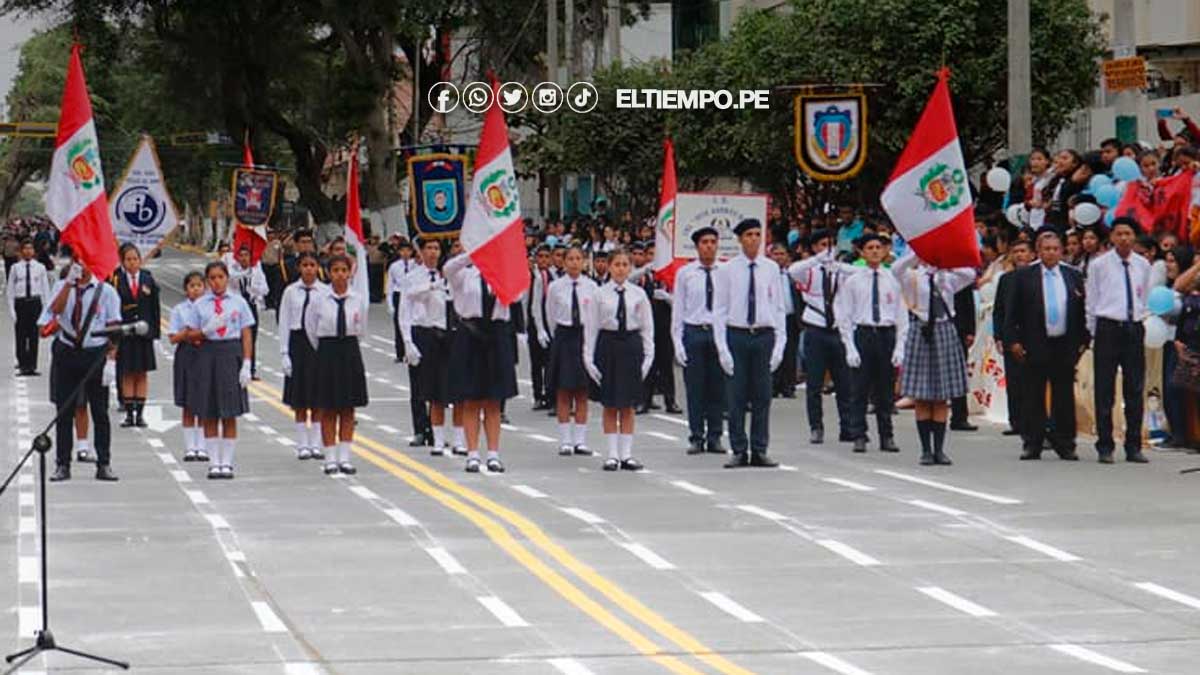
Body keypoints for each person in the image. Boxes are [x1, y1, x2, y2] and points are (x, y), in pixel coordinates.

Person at [1005, 230, 1089, 461]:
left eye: (1055, 249)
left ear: (1061, 251)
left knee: (1063, 394)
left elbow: (1082, 311)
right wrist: (1013, 340)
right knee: (1033, 393)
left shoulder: (1072, 275)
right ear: (1039, 251)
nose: (1051, 253)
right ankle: (1033, 442)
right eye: (1046, 249)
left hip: (1065, 343)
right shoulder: (1025, 276)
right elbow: (1011, 313)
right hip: (1035, 342)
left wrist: (1083, 340)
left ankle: (1065, 442)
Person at [40, 253, 122, 482]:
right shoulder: (60, 286)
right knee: (63, 411)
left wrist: (111, 362)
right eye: (77, 261)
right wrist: (68, 284)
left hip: (95, 353)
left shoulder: (106, 291)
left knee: (100, 412)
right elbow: (53, 312)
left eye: (85, 261)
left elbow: (114, 329)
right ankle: (62, 464)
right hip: (66, 351)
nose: (81, 266)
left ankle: (104, 463)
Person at [893, 251, 976, 466]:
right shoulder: (912, 276)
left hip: (944, 329)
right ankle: (925, 450)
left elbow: (970, 274)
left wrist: (946, 263)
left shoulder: (947, 278)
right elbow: (896, 269)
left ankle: (940, 449)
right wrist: (916, 253)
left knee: (941, 396)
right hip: (920, 331)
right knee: (921, 396)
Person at [714, 218, 784, 469]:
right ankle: (739, 448)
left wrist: (779, 344)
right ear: (740, 239)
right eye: (749, 235)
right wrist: (722, 347)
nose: (754, 239)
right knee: (736, 397)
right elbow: (720, 310)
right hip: (738, 334)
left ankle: (760, 448)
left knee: (762, 396)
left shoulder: (771, 268)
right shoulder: (728, 269)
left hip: (763, 334)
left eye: (758, 234)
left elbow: (777, 307)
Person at [443, 253, 519, 473]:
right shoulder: (465, 275)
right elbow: (448, 268)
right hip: (471, 334)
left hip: (496, 334)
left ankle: (494, 454)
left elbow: (517, 294)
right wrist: (472, 254)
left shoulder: (503, 276)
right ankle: (473, 454)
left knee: (494, 400)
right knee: (471, 399)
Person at [1086, 216, 1152, 464]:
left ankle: (1133, 445)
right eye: (1119, 234)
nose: (1124, 238)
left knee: (1134, 387)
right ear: (1112, 237)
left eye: (1128, 234)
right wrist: (1093, 331)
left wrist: (1139, 318)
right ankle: (1105, 445)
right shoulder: (1099, 265)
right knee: (1105, 388)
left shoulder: (1142, 264)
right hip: (1108, 327)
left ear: (1134, 237)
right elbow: (1092, 300)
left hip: (1133, 326)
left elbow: (1143, 294)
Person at [835, 234, 908, 453]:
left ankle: (887, 435)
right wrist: (849, 346)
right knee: (859, 388)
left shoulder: (892, 279)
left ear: (885, 251)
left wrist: (899, 346)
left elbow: (900, 314)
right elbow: (845, 315)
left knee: (885, 390)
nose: (875, 251)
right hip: (864, 333)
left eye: (878, 247)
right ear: (862, 252)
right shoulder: (853, 281)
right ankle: (859, 434)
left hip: (885, 334)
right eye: (870, 248)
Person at [584, 249, 653, 471]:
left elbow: (646, 326)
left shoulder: (638, 294)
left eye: (625, 264)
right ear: (610, 267)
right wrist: (588, 357)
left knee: (628, 404)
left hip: (631, 345)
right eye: (617, 264)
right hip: (608, 345)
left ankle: (627, 454)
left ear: (630, 267)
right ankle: (612, 454)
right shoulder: (600, 294)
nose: (621, 269)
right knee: (611, 402)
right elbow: (592, 326)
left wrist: (648, 356)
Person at [787, 228, 855, 444]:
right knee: (814, 383)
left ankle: (847, 426)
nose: (828, 249)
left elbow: (859, 274)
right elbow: (792, 271)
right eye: (822, 245)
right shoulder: (809, 271)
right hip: (815, 328)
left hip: (837, 329)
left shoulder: (839, 270)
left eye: (830, 245)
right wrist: (816, 260)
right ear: (815, 248)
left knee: (844, 382)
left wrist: (838, 265)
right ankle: (816, 427)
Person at [190, 261, 256, 479]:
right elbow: (190, 334)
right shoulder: (200, 304)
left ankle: (226, 462)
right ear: (208, 281)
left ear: (227, 278)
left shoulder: (238, 302)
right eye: (212, 278)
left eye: (220, 277)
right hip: (208, 352)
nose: (217, 281)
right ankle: (213, 462)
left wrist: (246, 363)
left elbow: (246, 333)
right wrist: (205, 330)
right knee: (209, 411)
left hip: (230, 352)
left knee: (229, 412)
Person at [306, 255, 368, 474]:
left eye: (344, 270)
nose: (340, 274)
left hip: (349, 350)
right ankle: (330, 457)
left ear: (350, 273)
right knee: (329, 408)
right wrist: (325, 348)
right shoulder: (319, 299)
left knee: (348, 408)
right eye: (336, 270)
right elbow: (311, 328)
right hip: (327, 351)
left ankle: (345, 456)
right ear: (329, 273)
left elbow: (361, 328)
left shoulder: (357, 298)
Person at [671, 226, 727, 455]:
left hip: (718, 332)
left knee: (717, 387)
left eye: (713, 242)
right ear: (697, 246)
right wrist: (678, 341)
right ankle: (696, 436)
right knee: (695, 389)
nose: (709, 246)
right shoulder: (686, 273)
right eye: (704, 242)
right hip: (694, 331)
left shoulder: (725, 271)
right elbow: (679, 309)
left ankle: (715, 436)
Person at [545, 244, 598, 456]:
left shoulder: (592, 286)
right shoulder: (556, 287)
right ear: (564, 262)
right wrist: (554, 335)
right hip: (564, 336)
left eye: (578, 259)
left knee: (582, 391)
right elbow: (550, 314)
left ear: (584, 262)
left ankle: (580, 440)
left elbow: (595, 316)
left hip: (584, 336)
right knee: (564, 390)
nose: (575, 263)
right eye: (571, 259)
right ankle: (565, 439)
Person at [402, 238, 453, 454]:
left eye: (436, 248)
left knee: (438, 385)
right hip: (419, 330)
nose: (433, 252)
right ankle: (419, 429)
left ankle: (435, 431)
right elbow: (404, 310)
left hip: (439, 332)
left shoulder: (446, 276)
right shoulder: (412, 277)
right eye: (429, 248)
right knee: (418, 384)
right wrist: (407, 342)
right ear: (421, 252)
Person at [279, 252, 329, 461]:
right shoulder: (291, 292)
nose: (309, 269)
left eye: (312, 265)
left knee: (318, 397)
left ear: (318, 267)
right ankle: (302, 444)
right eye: (305, 265)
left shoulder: (325, 291)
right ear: (299, 268)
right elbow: (284, 321)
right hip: (297, 343)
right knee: (299, 399)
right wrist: (284, 352)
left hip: (317, 344)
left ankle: (316, 443)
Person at [111, 243, 161, 428]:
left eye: (135, 259)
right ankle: (129, 414)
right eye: (128, 259)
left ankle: (139, 415)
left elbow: (154, 308)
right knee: (127, 374)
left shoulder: (148, 279)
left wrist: (155, 335)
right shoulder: (116, 279)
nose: (132, 263)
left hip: (144, 333)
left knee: (141, 374)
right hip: (125, 334)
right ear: (123, 262)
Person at [992, 239, 1034, 437]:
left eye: (1023, 251)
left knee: (1032, 382)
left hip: (1034, 335)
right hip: (1011, 335)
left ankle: (1032, 422)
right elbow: (999, 309)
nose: (1019, 255)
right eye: (1015, 251)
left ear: (1032, 254)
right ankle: (1015, 421)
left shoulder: (1037, 277)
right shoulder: (1006, 279)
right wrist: (999, 335)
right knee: (1014, 381)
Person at [169, 271, 208, 461]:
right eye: (192, 286)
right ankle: (190, 446)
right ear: (186, 290)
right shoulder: (179, 310)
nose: (196, 289)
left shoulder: (210, 308)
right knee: (187, 402)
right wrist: (186, 333)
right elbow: (173, 338)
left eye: (199, 285)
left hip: (204, 354)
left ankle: (202, 445)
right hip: (186, 354)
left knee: (202, 400)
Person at [7, 238, 49, 376]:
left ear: (34, 251)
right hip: (21, 303)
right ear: (21, 251)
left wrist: (45, 310)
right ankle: (23, 364)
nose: (28, 251)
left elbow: (45, 289)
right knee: (21, 336)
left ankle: (32, 365)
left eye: (30, 248)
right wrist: (12, 309)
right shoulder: (15, 268)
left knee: (33, 336)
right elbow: (10, 290)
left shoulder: (40, 268)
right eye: (25, 248)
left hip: (35, 303)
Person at [229, 245, 268, 380]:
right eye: (242, 255)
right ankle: (236, 367)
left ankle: (251, 369)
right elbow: (229, 288)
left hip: (251, 305)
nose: (244, 258)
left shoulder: (256, 271)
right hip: (237, 307)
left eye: (247, 255)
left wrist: (254, 289)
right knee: (237, 338)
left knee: (251, 338)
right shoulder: (232, 271)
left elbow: (265, 289)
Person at [770, 242, 799, 398]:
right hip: (773, 319)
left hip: (790, 318)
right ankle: (773, 385)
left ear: (788, 257)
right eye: (776, 254)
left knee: (790, 352)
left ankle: (788, 386)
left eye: (782, 254)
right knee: (774, 351)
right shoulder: (767, 275)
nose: (779, 257)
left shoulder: (792, 274)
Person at [529, 243, 555, 411]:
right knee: (536, 363)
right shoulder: (530, 276)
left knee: (551, 362)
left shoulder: (554, 277)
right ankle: (538, 395)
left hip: (550, 322)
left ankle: (551, 395)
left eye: (547, 257)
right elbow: (530, 304)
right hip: (534, 323)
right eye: (541, 257)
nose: (544, 260)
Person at [385, 238, 416, 363]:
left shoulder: (416, 265)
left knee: (412, 323)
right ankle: (400, 353)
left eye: (408, 250)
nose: (405, 253)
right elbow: (390, 285)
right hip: (399, 294)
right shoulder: (394, 266)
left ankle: (411, 351)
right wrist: (390, 303)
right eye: (402, 250)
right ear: (399, 252)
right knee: (399, 325)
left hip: (412, 295)